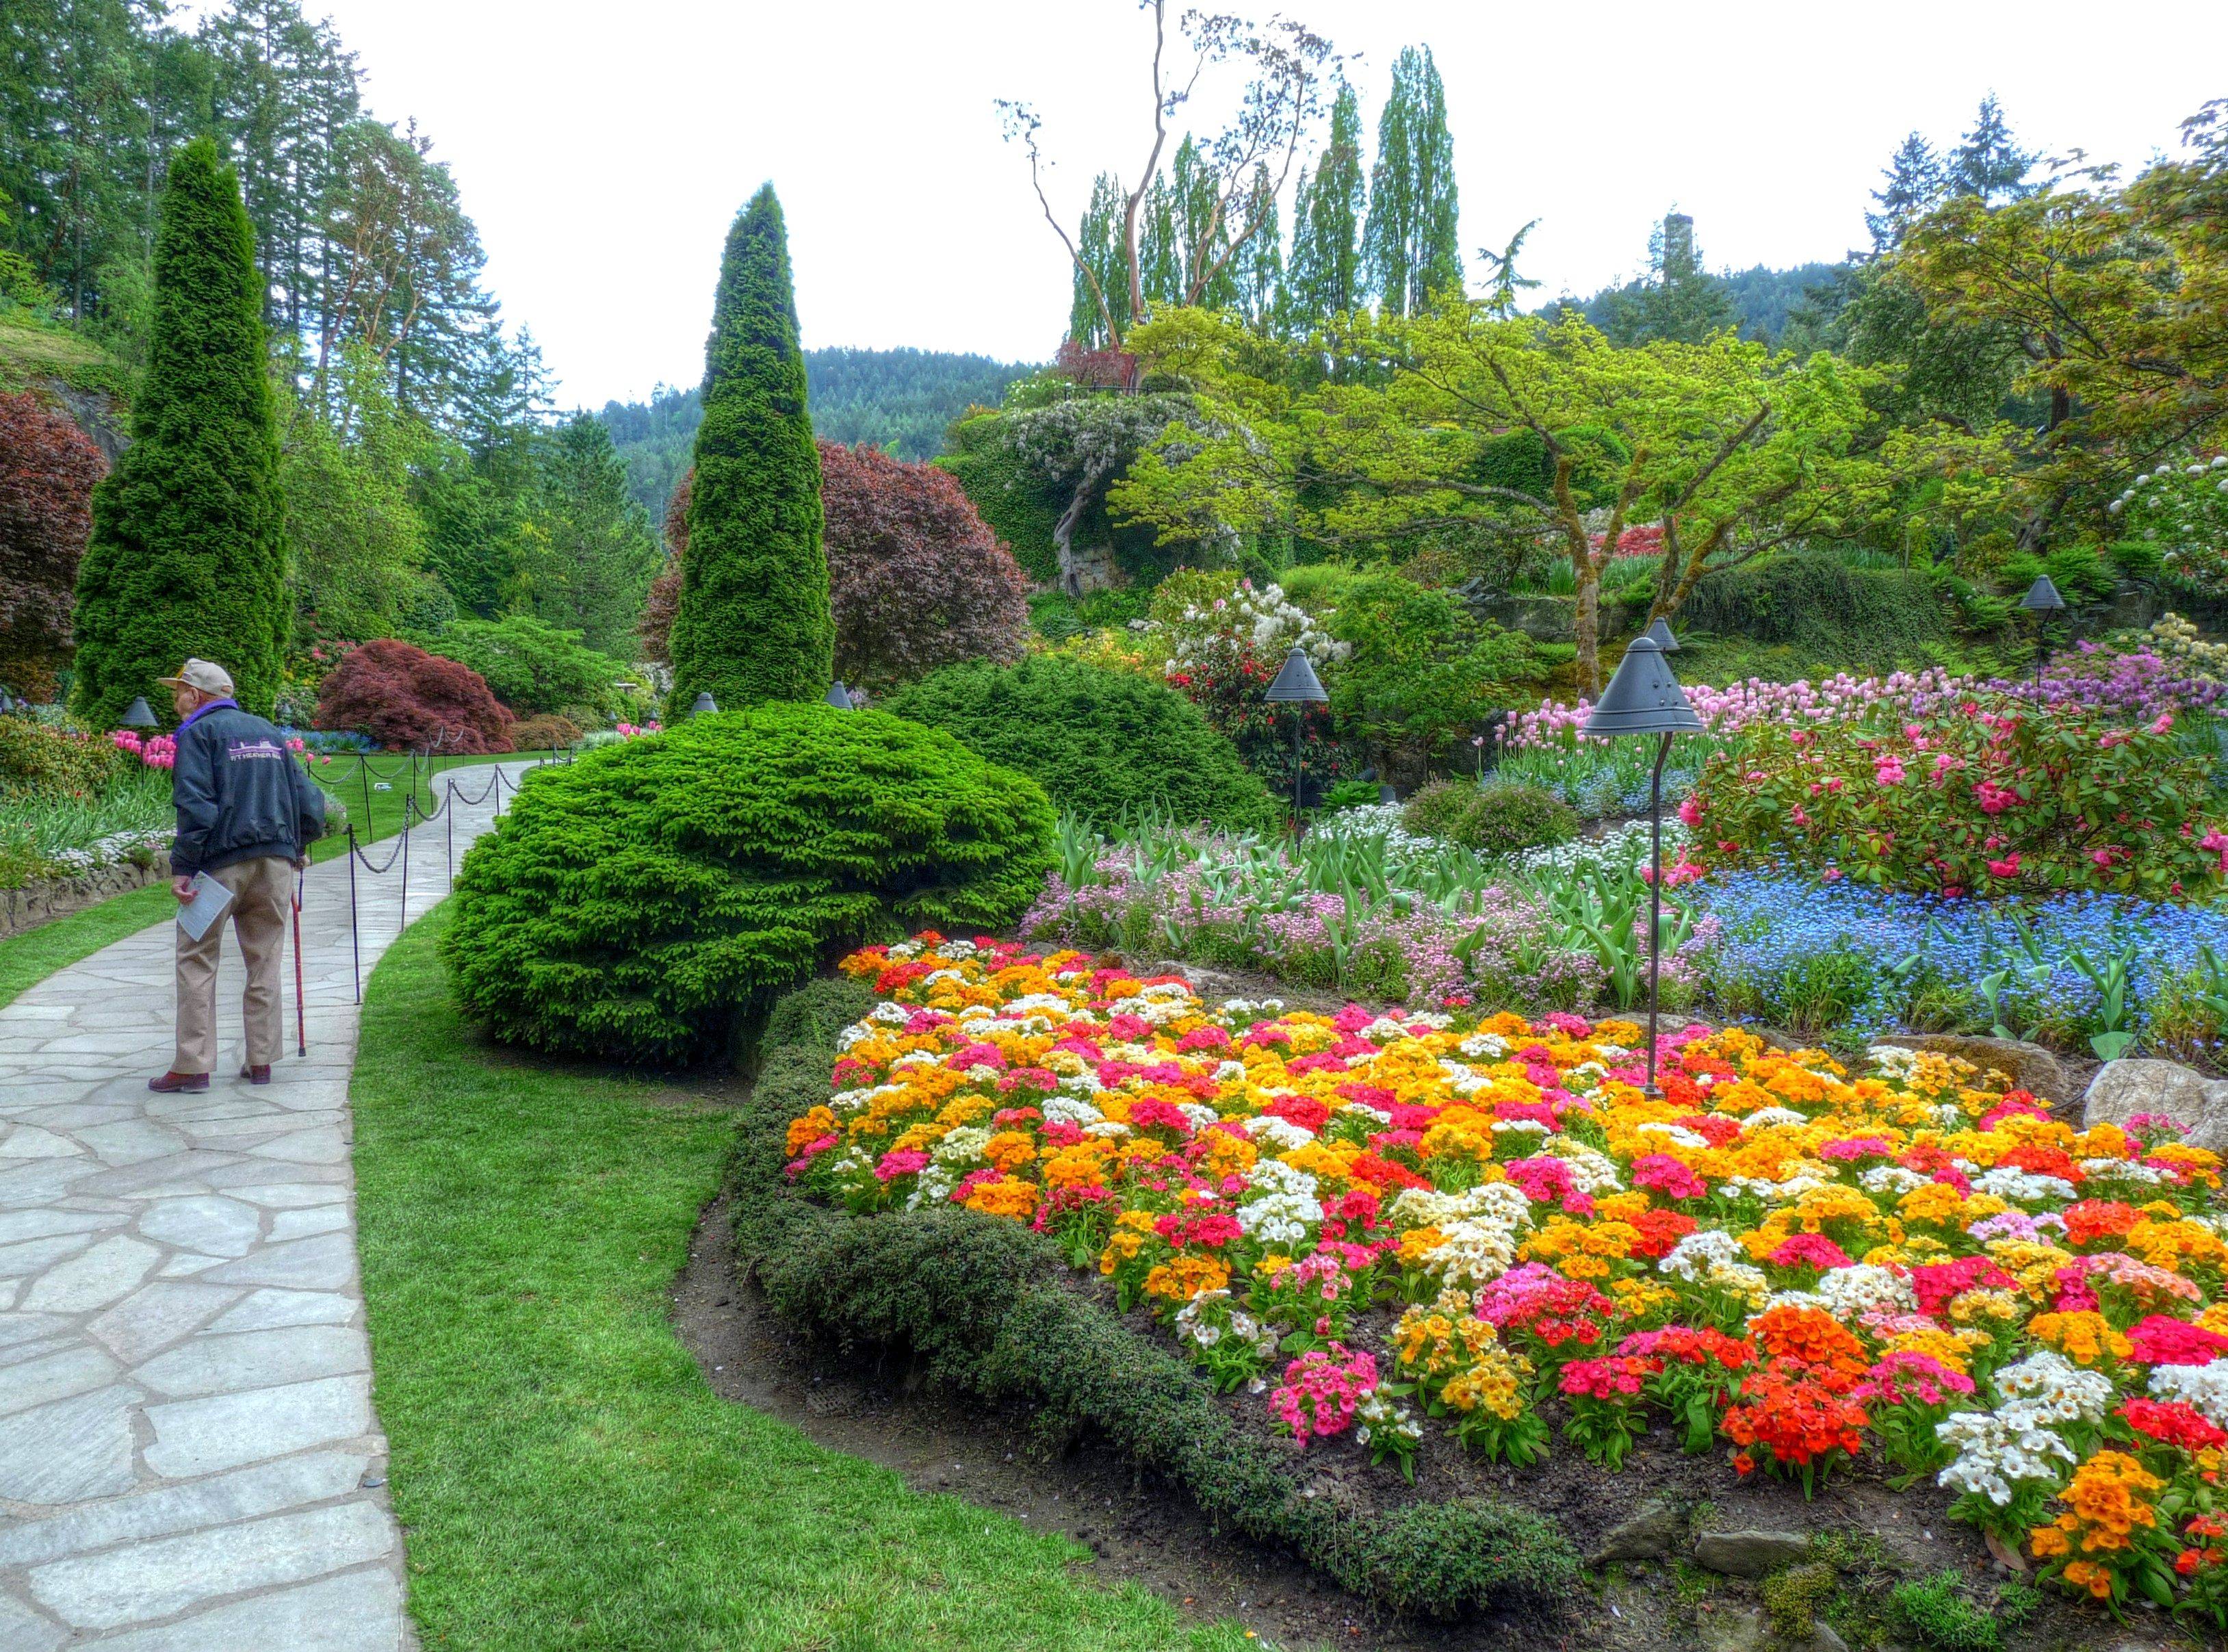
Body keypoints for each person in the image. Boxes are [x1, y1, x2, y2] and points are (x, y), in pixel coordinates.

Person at [147, 659, 328, 1094]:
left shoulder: (197, 732)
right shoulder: (267, 730)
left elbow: (196, 805)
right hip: (275, 865)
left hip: (219, 869)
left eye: (178, 692)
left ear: (195, 695)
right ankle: (261, 1061)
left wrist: (184, 868)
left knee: (196, 958)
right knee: (265, 959)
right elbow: (308, 798)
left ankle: (192, 1067)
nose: (175, 700)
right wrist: (297, 847)